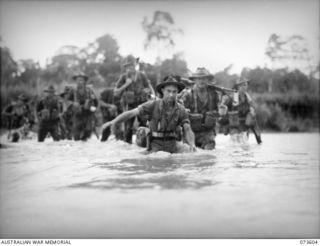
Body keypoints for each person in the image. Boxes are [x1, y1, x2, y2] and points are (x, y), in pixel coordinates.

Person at [102, 76, 196, 153]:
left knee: (190, 151)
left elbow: (187, 128)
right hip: (155, 144)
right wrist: (113, 122)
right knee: (158, 157)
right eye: (168, 91)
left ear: (177, 92)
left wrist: (192, 144)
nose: (171, 94)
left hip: (172, 143)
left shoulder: (181, 109)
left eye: (174, 92)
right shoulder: (153, 104)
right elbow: (131, 113)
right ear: (163, 91)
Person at [113, 55, 155, 144]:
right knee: (128, 127)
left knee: (143, 125)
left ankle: (142, 144)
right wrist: (126, 84)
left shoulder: (141, 75)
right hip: (129, 104)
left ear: (135, 65)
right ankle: (127, 145)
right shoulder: (124, 77)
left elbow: (148, 87)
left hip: (142, 103)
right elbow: (116, 92)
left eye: (131, 65)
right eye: (127, 66)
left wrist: (151, 95)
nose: (129, 67)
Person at [179, 67, 220, 150]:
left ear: (208, 79)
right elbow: (179, 112)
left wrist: (221, 112)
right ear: (195, 80)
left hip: (207, 133)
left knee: (209, 152)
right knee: (189, 154)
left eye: (204, 78)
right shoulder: (187, 94)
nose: (202, 81)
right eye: (199, 79)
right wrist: (185, 112)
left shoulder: (214, 94)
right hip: (190, 131)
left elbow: (219, 111)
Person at [233, 77, 262, 144]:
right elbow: (232, 109)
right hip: (238, 122)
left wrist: (252, 110)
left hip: (248, 120)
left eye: (245, 85)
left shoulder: (248, 97)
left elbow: (252, 107)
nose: (244, 87)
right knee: (241, 142)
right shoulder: (235, 96)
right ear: (238, 87)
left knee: (254, 124)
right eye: (242, 85)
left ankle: (259, 141)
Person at [71, 73, 98, 141]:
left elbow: (96, 102)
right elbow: (67, 102)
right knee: (76, 136)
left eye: (81, 80)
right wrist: (73, 105)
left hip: (87, 115)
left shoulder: (89, 90)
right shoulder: (72, 91)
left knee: (87, 132)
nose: (79, 82)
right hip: (77, 115)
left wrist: (93, 107)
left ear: (84, 81)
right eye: (78, 80)